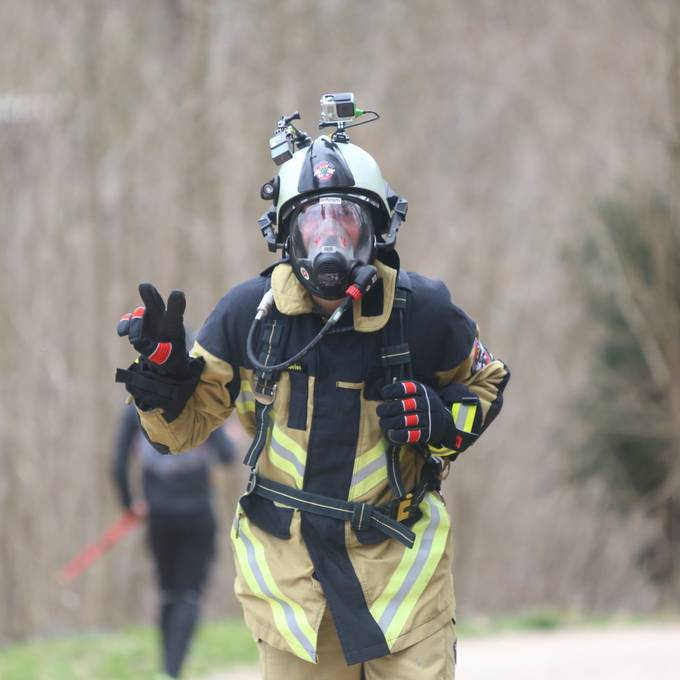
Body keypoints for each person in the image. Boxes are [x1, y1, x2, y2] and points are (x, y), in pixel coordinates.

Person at [115, 99, 510, 679]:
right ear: (285, 235)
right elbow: (180, 435)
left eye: (347, 221)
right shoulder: (249, 317)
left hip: (404, 581)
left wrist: (442, 421)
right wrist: (164, 380)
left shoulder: (423, 313)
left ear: (378, 229)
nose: (331, 241)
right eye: (312, 222)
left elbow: (487, 382)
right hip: (293, 590)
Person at [111, 403, 236, 679]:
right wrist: (221, 433)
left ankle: (166, 669)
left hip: (158, 516)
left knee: (168, 591)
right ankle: (172, 670)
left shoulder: (135, 409)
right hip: (198, 514)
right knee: (189, 593)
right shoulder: (199, 402)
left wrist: (129, 504)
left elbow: (118, 462)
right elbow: (228, 455)